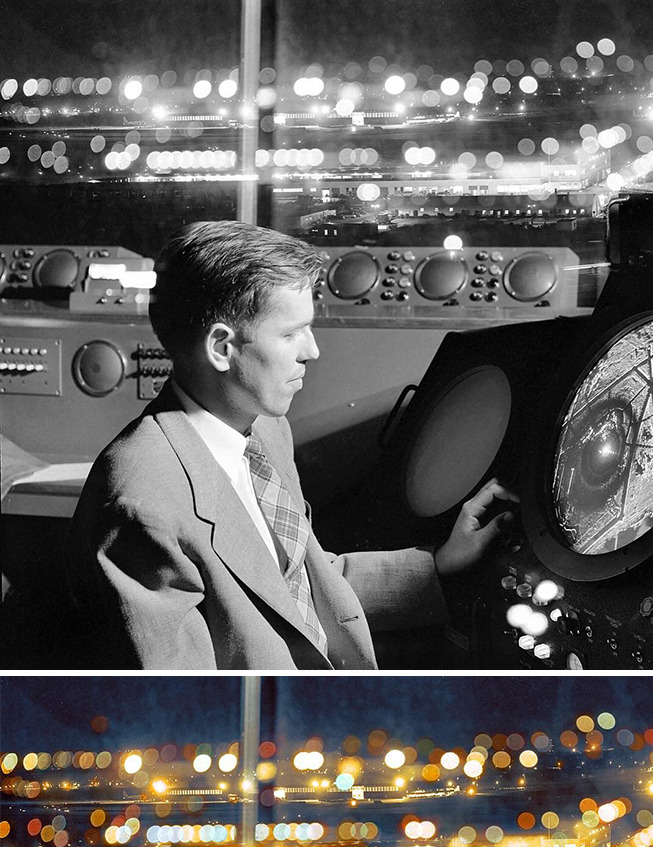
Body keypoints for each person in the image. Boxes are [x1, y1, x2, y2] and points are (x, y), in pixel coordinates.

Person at [64, 221, 516, 669]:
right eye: (290, 333)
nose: (312, 351)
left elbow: (295, 587)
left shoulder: (265, 432)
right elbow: (184, 700)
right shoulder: (143, 503)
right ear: (221, 348)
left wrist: (439, 563)